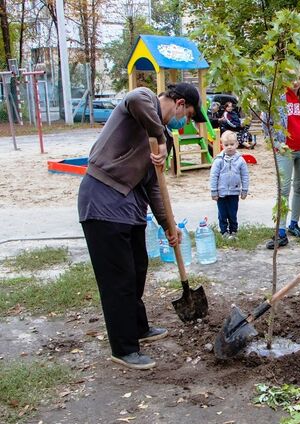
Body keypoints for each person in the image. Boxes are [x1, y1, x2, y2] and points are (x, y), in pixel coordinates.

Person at [78, 82, 207, 370]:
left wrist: (168, 225)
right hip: (101, 204)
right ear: (179, 103)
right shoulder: (144, 100)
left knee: (137, 270)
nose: (184, 123)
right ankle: (123, 349)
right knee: (118, 280)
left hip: (129, 211)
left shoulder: (163, 143)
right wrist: (160, 137)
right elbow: (136, 98)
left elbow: (155, 188)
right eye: (187, 116)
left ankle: (138, 328)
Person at [266, 67, 300, 249]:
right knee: (283, 189)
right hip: (285, 149)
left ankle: (294, 224)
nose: (295, 82)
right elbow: (267, 123)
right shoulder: (278, 97)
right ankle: (280, 230)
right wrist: (276, 145)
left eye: (299, 78)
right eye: (291, 78)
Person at [210, 131, 250, 239]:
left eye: (232, 144)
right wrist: (214, 191)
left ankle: (233, 231)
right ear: (222, 145)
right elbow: (213, 176)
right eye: (226, 145)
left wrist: (244, 190)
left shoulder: (240, 160)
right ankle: (224, 232)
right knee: (222, 213)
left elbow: (245, 175)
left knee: (232, 213)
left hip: (234, 192)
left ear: (237, 144)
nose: (229, 147)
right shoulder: (219, 160)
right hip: (221, 193)